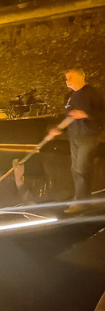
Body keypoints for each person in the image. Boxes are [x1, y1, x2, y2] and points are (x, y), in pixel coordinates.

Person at [49, 68, 104, 213]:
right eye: (66, 78)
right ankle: (82, 199)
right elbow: (69, 117)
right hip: (74, 136)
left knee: (82, 168)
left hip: (89, 136)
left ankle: (81, 203)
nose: (67, 80)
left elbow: (101, 112)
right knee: (75, 169)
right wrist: (58, 128)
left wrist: (86, 114)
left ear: (80, 77)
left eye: (70, 77)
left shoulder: (92, 93)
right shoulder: (68, 96)